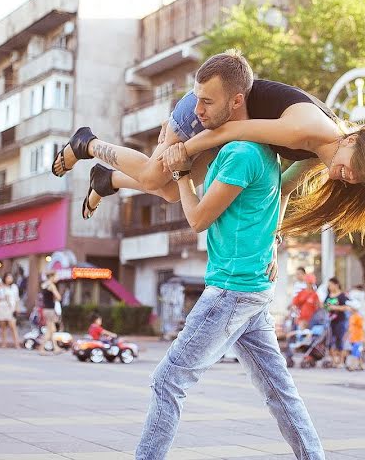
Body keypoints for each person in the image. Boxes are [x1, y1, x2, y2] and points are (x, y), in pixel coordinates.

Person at [134, 54, 324, 460]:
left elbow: (199, 218)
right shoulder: (265, 151)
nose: (197, 110)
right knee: (279, 392)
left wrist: (184, 174)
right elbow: (286, 187)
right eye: (197, 100)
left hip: (230, 291)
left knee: (167, 381)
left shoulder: (241, 153)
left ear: (237, 102)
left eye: (207, 102)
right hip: (252, 291)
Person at [52, 49, 365, 242]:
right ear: (355, 139)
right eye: (359, 167)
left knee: (175, 192)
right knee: (151, 177)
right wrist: (181, 152)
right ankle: (87, 143)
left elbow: (280, 191)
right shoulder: (305, 128)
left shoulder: (318, 155)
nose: (350, 176)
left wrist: (272, 248)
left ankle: (106, 180)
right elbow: (223, 134)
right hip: (212, 108)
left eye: (359, 180)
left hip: (230, 124)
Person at [324, 278, 350, 368]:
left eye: (331, 284)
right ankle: (334, 360)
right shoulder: (329, 295)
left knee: (340, 340)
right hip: (330, 321)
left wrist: (335, 308)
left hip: (340, 321)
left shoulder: (342, 295)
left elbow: (347, 307)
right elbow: (325, 305)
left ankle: (341, 361)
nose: (329, 287)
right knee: (330, 341)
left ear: (336, 284)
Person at [0, 273, 20, 349]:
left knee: (12, 325)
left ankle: (16, 343)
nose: (9, 279)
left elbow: (16, 298)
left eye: (10, 278)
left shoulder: (14, 287)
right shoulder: (0, 287)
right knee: (3, 326)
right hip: (2, 305)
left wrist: (17, 308)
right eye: (8, 278)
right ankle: (4, 343)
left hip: (10, 307)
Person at [39, 272, 62, 355]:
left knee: (52, 330)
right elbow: (59, 297)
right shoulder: (51, 285)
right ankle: (41, 348)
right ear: (52, 277)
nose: (57, 278)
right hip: (50, 310)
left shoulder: (44, 285)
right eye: (56, 276)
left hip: (45, 309)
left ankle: (56, 348)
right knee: (50, 330)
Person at [346, 299, 365, 371]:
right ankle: (361, 365)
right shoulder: (352, 316)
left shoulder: (358, 317)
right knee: (357, 352)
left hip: (358, 337)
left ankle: (353, 366)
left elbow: (361, 327)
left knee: (356, 352)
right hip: (353, 337)